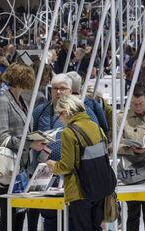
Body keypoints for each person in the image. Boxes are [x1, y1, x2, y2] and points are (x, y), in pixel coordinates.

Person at [0, 63, 47, 231]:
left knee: (20, 213)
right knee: (8, 215)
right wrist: (30, 143)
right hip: (7, 167)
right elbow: (2, 137)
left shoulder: (21, 101)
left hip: (21, 166)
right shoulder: (3, 102)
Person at [46, 94, 107, 230]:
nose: (59, 119)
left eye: (60, 114)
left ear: (67, 111)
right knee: (96, 227)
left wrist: (52, 165)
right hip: (100, 187)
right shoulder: (96, 127)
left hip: (80, 190)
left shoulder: (68, 133)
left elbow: (66, 166)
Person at [117, 84, 145, 231]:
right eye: (134, 104)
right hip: (130, 170)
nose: (138, 107)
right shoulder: (121, 118)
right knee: (132, 212)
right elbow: (113, 145)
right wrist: (130, 148)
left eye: (141, 103)